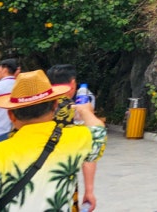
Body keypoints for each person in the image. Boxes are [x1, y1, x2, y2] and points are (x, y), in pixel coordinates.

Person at [0, 69, 107, 212]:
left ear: (11, 115)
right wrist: (85, 110)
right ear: (55, 105)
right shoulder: (77, 138)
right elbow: (99, 131)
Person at [48, 64, 101, 211]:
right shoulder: (75, 111)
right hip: (63, 181)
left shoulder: (37, 108)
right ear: (72, 83)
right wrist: (89, 190)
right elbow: (90, 151)